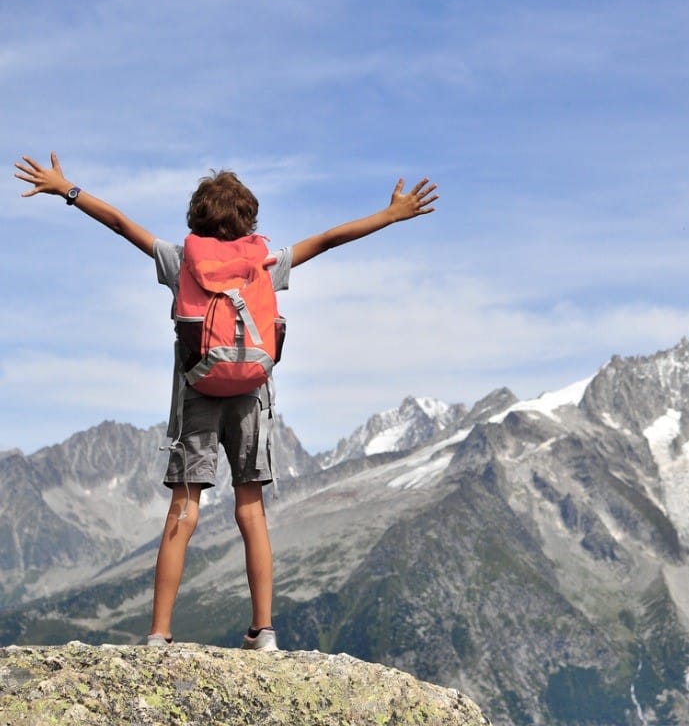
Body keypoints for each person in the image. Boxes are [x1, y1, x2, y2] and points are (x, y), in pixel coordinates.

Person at [14, 152, 438, 650]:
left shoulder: (180, 260)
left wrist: (66, 188)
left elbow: (119, 223)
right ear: (249, 221)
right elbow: (327, 240)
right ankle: (264, 630)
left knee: (184, 508)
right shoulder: (265, 264)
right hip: (251, 394)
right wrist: (390, 215)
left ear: (196, 219)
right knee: (250, 510)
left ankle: (159, 634)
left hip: (197, 391)